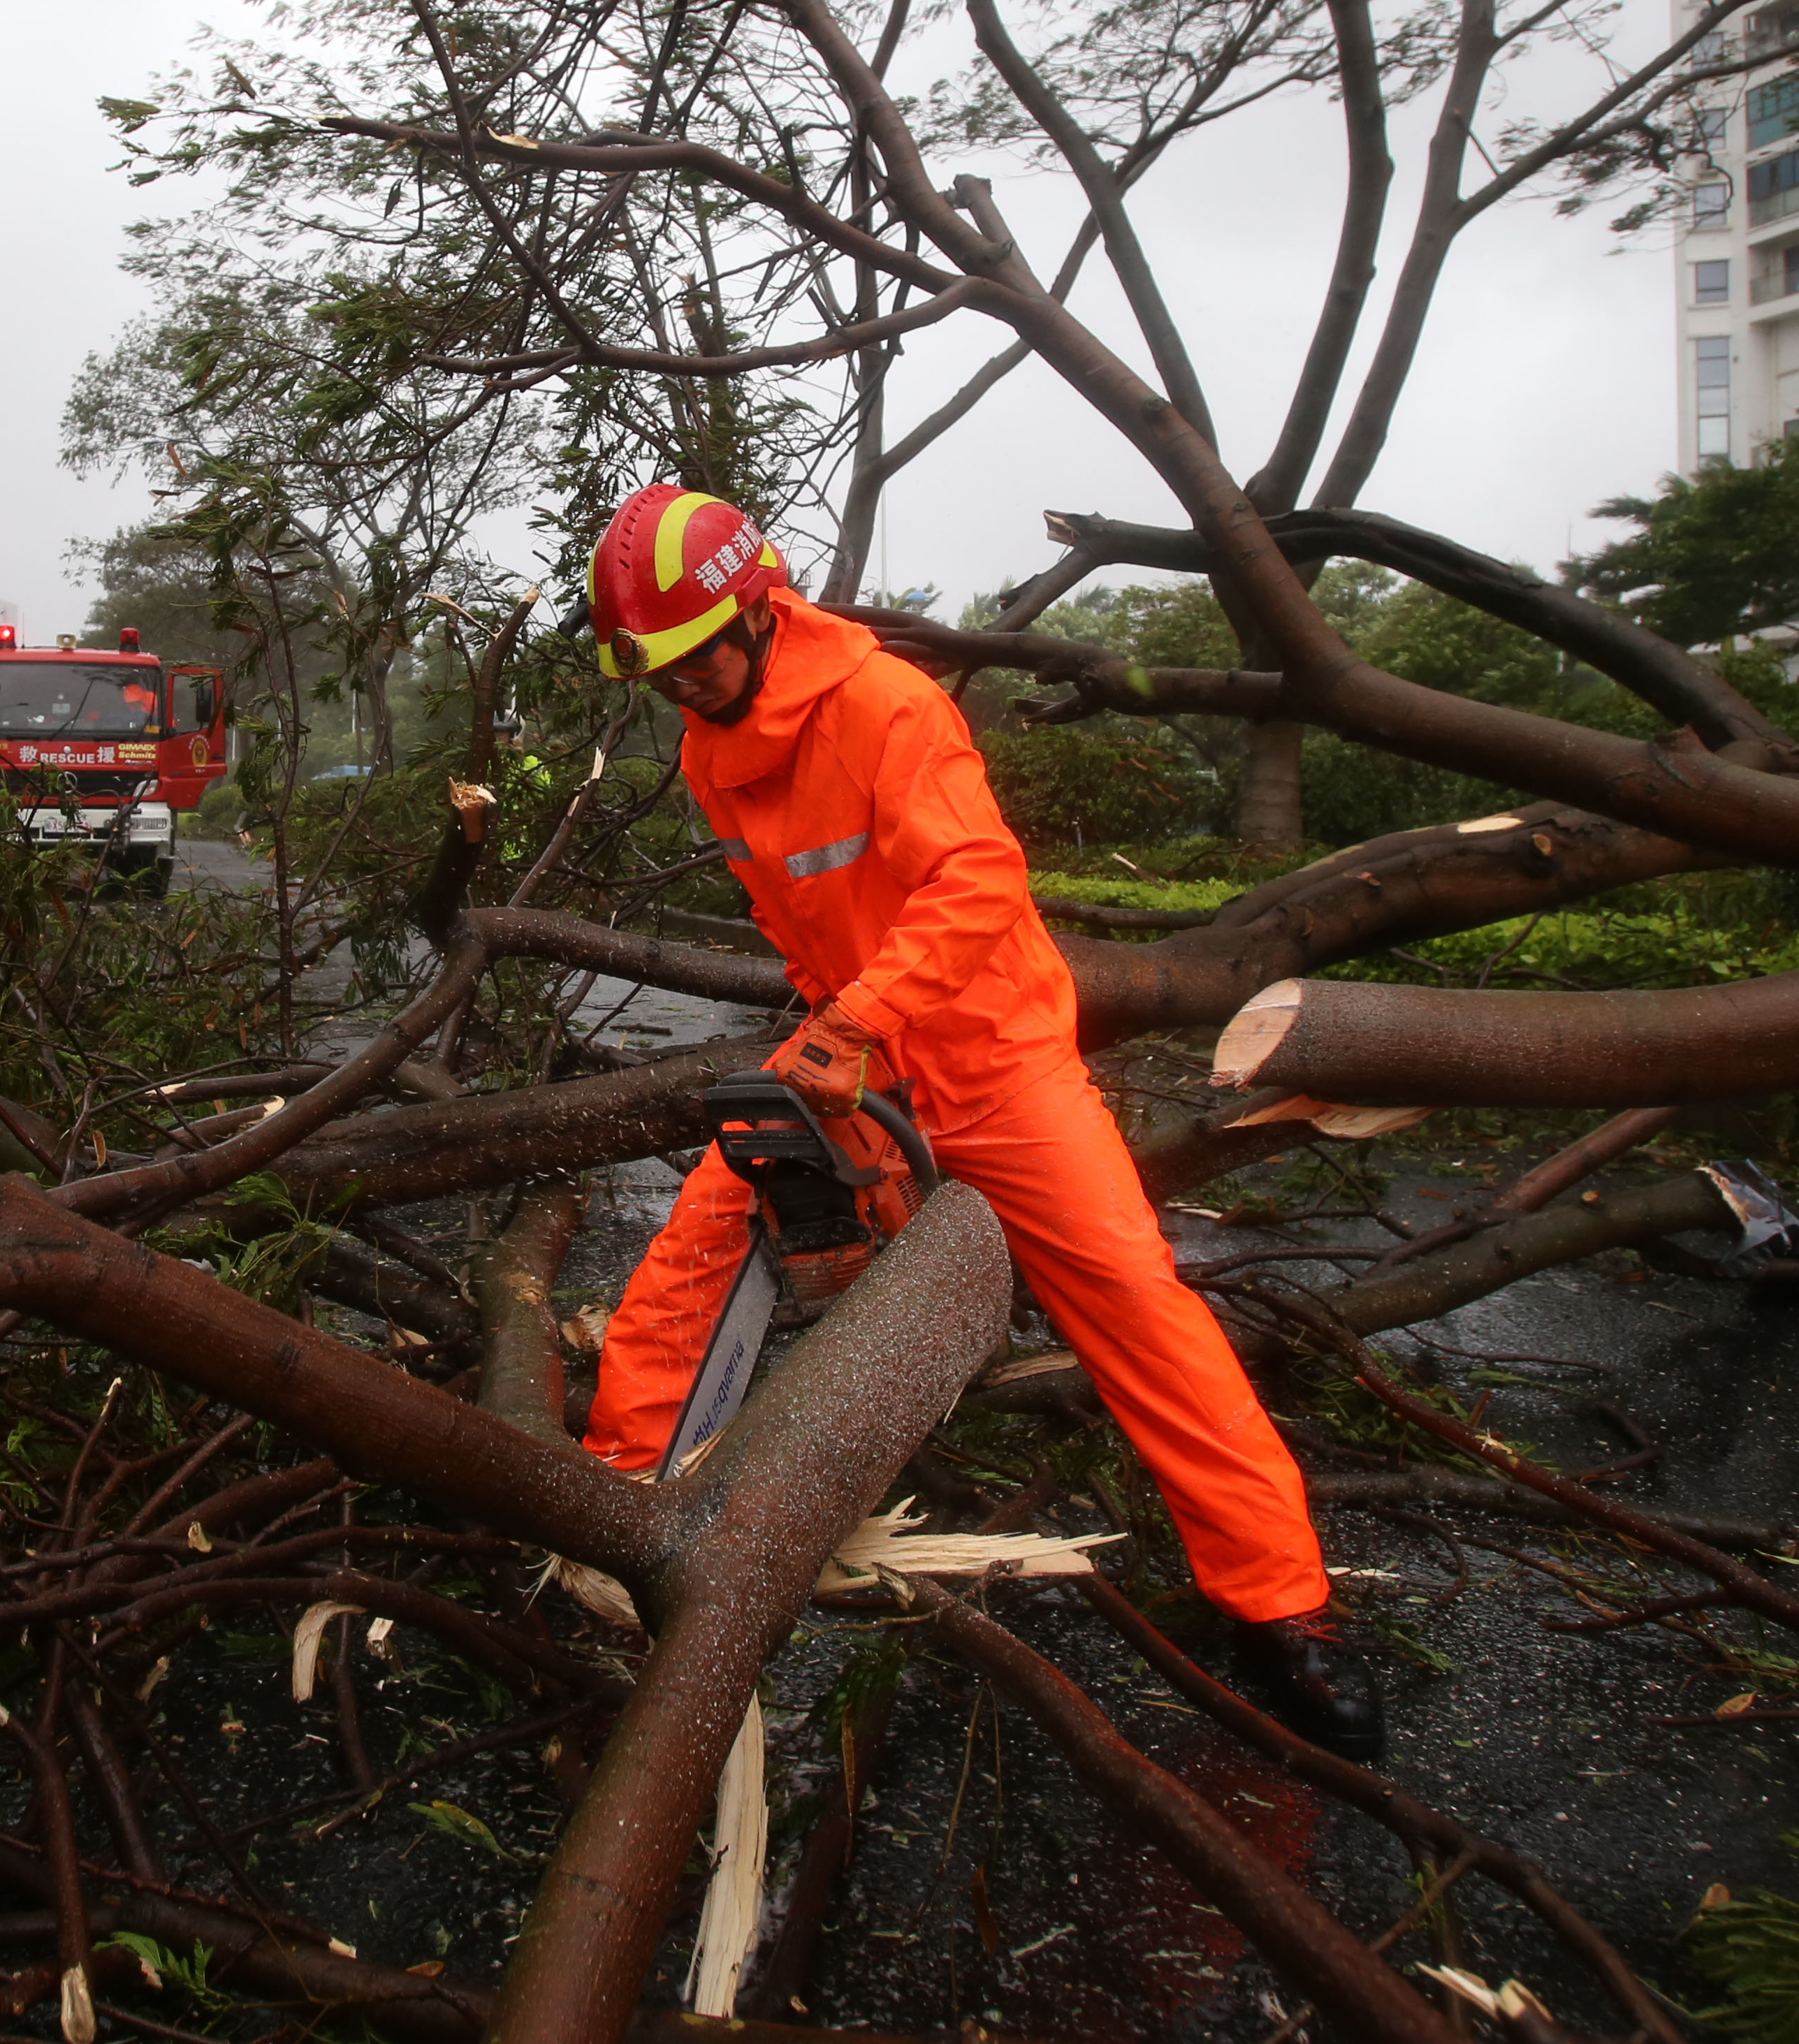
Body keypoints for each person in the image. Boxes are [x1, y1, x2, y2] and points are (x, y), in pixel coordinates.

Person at [574, 483, 1382, 1757]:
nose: (685, 689)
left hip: (990, 1056)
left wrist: (859, 1024)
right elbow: (805, 916)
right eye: (660, 673)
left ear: (758, 608)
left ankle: (1283, 1606)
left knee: (1134, 1303)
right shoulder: (706, 746)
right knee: (703, 1240)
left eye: (697, 659)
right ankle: (615, 1518)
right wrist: (832, 1034)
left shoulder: (888, 707)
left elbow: (978, 877)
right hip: (855, 1050)